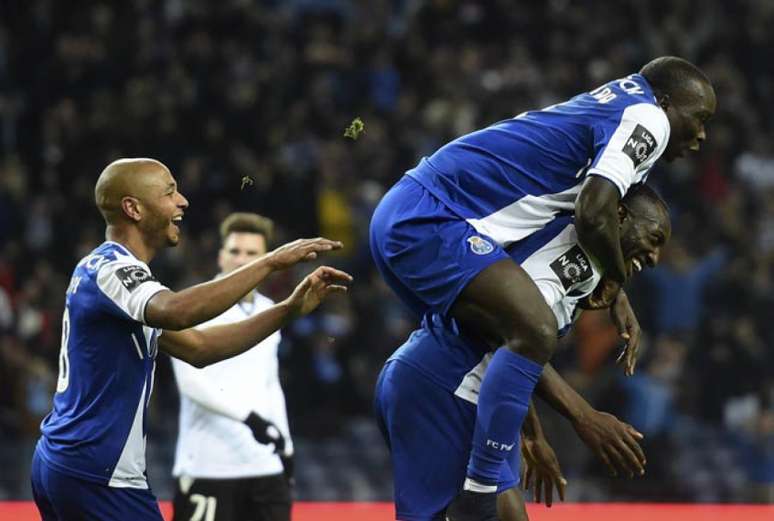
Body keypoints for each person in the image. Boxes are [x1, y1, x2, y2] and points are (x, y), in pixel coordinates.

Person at [369, 56, 714, 520]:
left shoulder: (611, 116)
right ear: (669, 102)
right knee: (534, 326)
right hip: (432, 233)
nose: (703, 134)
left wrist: (530, 433)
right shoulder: (646, 117)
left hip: (425, 243)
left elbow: (510, 349)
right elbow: (593, 213)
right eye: (701, 118)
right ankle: (479, 493)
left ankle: (483, 488)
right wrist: (584, 416)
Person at [30, 158, 352, 521]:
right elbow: (177, 311)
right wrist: (270, 262)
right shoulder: (111, 269)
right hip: (97, 475)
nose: (182, 201)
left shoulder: (113, 278)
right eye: (170, 192)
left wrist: (288, 310)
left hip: (68, 462)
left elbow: (199, 347)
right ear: (133, 208)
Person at [375, 184, 672, 521]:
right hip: (444, 384)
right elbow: (514, 334)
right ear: (619, 216)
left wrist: (532, 434)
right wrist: (584, 416)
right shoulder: (570, 258)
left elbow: (515, 357)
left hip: (453, 385)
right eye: (654, 238)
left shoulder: (585, 262)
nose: (654, 257)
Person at [171, 212, 296, 521]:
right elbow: (191, 384)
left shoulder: (271, 312)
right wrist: (250, 419)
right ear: (220, 257)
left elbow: (270, 383)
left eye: (252, 254)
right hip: (208, 465)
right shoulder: (190, 308)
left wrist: (287, 445)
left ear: (268, 261)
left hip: (264, 466)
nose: (242, 261)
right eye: (235, 252)